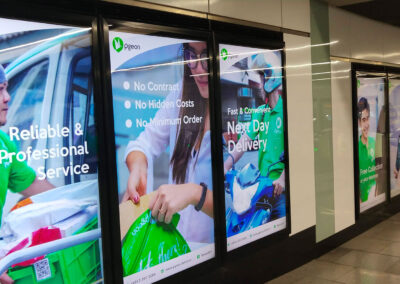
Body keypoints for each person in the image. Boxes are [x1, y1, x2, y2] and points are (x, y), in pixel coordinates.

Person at [123, 42, 213, 244]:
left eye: (206, 57)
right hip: (177, 248)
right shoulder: (181, 93)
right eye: (191, 55)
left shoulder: (237, 105)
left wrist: (194, 193)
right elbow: (144, 143)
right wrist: (138, 168)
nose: (198, 68)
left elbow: (238, 204)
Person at [0, 64, 53, 284]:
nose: (7, 97)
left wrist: (81, 203)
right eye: (0, 89)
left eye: (6, 88)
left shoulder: (4, 143)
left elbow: (32, 184)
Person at [223, 53, 286, 218]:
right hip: (261, 186)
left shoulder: (286, 111)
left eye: (261, 79)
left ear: (271, 79)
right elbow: (243, 143)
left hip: (280, 189)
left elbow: (296, 148)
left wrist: (283, 178)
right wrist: (226, 165)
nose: (259, 85)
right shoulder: (260, 113)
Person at [357, 97, 377, 203]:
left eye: (368, 118)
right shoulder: (356, 149)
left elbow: (382, 171)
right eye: (363, 120)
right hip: (364, 205)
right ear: (359, 123)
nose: (367, 124)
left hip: (377, 199)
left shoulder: (376, 143)